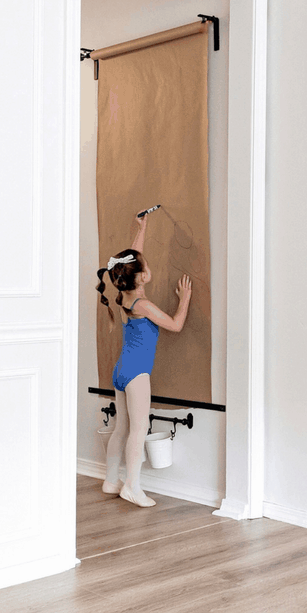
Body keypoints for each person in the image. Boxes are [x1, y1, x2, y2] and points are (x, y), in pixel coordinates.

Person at [96, 211, 192, 506]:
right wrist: (185, 298)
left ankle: (111, 480)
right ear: (140, 277)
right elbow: (175, 325)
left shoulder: (125, 296)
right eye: (145, 266)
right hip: (137, 374)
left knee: (122, 427)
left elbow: (132, 259)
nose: (147, 266)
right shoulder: (144, 305)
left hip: (121, 371)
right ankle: (133, 487)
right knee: (138, 430)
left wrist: (143, 227)